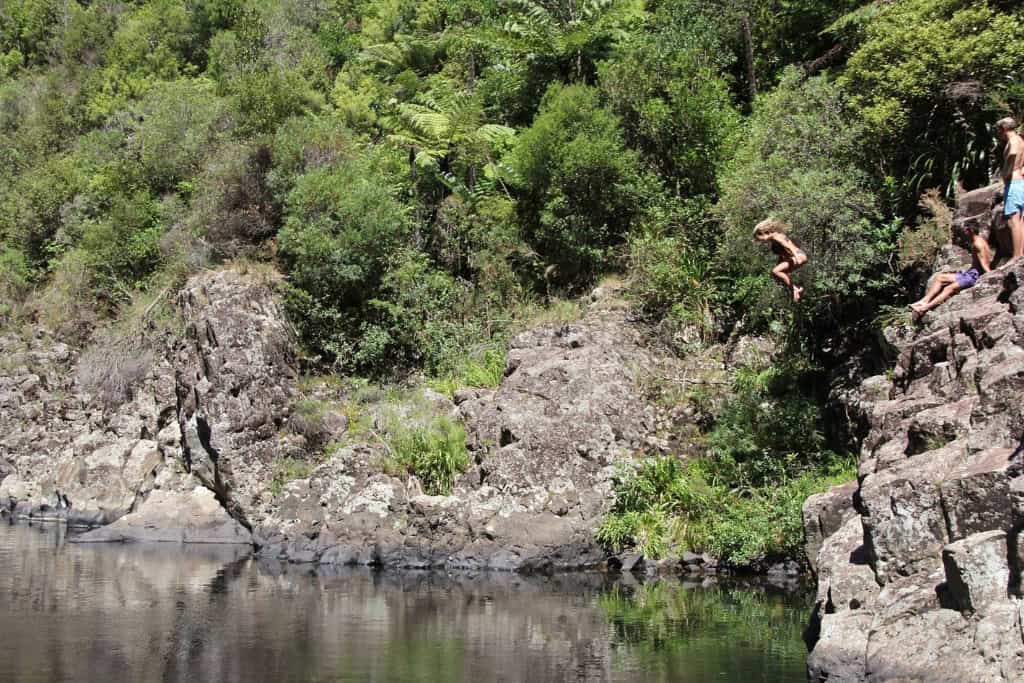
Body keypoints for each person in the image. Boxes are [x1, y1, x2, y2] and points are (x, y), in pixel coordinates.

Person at [909, 223, 992, 317]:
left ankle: (924, 308)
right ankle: (924, 301)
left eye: (966, 230)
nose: (964, 233)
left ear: (971, 231)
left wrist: (990, 276)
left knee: (948, 288)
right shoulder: (979, 240)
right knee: (940, 278)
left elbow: (984, 263)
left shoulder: (978, 244)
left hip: (973, 276)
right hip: (969, 273)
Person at [753, 218, 808, 302]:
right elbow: (782, 255)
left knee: (775, 271)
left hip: (799, 256)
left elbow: (787, 246)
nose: (761, 241)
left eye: (760, 239)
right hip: (795, 258)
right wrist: (779, 266)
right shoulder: (774, 240)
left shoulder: (776, 236)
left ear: (763, 233)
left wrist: (796, 256)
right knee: (776, 274)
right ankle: (796, 289)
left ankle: (794, 288)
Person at [996, 117, 1024, 265]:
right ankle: (1020, 254)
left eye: (998, 130)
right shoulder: (1021, 140)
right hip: (1021, 181)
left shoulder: (1013, 141)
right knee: (1020, 221)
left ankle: (1017, 255)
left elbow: (1013, 154)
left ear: (1004, 129)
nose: (998, 133)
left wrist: (1007, 171)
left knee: (1014, 220)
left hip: (1014, 183)